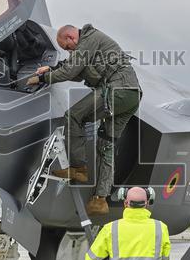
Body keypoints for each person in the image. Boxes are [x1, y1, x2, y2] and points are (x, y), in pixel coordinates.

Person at [26, 24, 141, 216]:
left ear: (71, 37)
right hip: (131, 96)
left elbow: (70, 72)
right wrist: (52, 69)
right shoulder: (89, 45)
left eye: (67, 47)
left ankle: (79, 168)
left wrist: (42, 79)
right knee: (106, 145)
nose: (69, 51)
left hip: (117, 91)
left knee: (74, 115)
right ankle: (100, 200)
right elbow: (77, 72)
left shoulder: (90, 38)